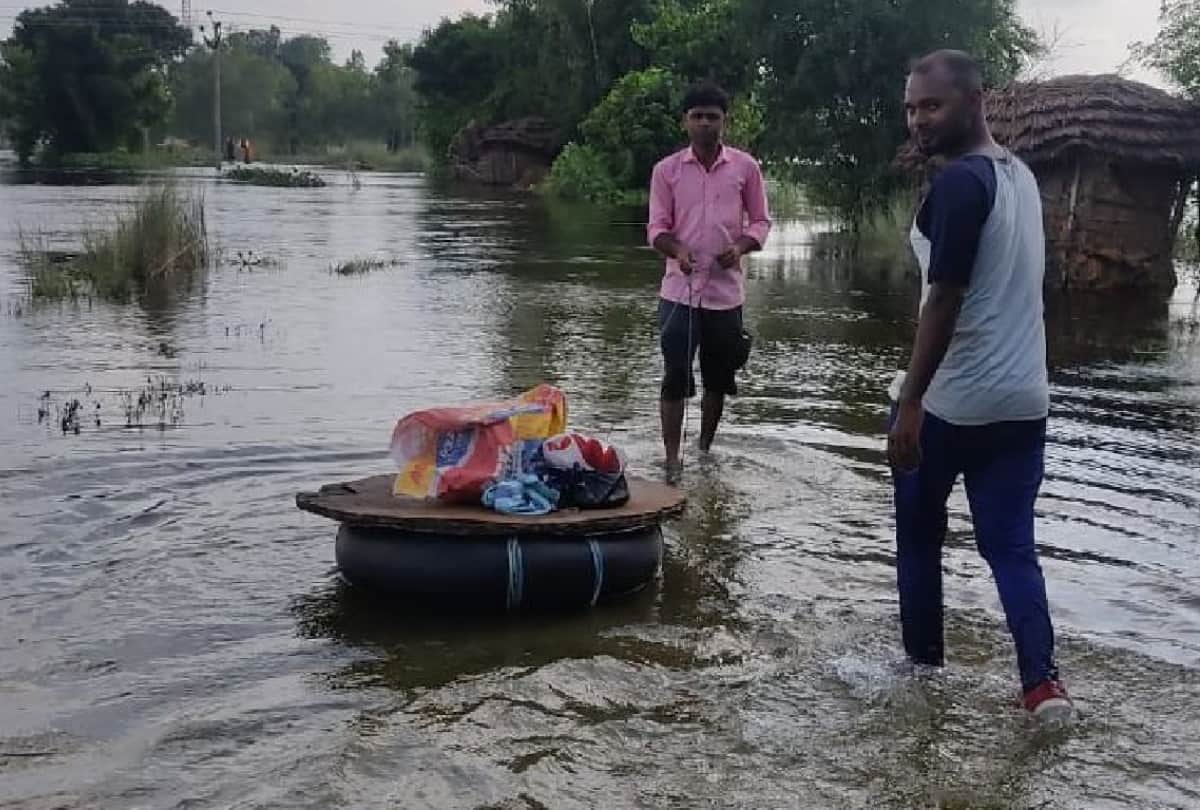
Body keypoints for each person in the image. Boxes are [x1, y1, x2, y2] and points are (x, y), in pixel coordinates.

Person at [889, 50, 1073, 721]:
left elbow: (945, 298)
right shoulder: (1019, 176)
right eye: (911, 108)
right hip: (1023, 401)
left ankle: (923, 675)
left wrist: (912, 402)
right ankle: (1042, 686)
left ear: (974, 102)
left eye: (932, 105)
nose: (918, 120)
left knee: (918, 538)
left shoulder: (962, 184)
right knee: (1012, 549)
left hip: (953, 401)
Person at [647, 81, 771, 470]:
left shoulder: (746, 168)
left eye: (712, 117)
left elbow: (761, 221)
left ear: (724, 121)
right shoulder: (666, 171)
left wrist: (740, 247)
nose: (704, 123)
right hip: (678, 292)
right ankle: (672, 459)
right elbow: (656, 228)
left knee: (718, 379)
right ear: (685, 121)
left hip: (725, 294)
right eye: (697, 116)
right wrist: (678, 251)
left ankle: (703, 450)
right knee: (674, 376)